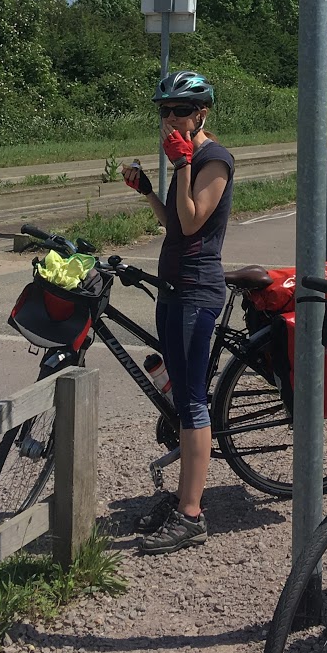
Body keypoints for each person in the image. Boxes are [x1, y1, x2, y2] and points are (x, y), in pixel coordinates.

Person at [121, 70, 234, 554]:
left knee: (191, 402)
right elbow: (172, 222)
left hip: (195, 291)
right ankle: (185, 498)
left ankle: (191, 515)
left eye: (181, 110)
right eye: (165, 110)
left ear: (201, 113)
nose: (171, 118)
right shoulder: (185, 157)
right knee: (181, 399)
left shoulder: (214, 159)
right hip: (172, 289)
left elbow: (192, 223)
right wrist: (148, 189)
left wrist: (183, 162)